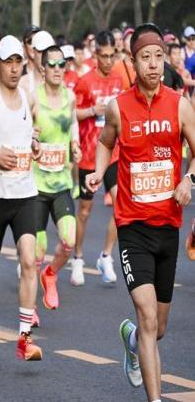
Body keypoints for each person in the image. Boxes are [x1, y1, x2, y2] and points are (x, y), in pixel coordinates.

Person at [85, 23, 195, 402]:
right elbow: (105, 143)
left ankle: (131, 340)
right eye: (145, 57)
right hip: (132, 226)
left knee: (157, 328)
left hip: (168, 226)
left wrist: (188, 180)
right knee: (147, 316)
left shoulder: (180, 105)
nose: (153, 64)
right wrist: (99, 170)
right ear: (133, 62)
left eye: (158, 57)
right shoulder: (118, 107)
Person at [0, 35, 42, 365]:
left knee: (30, 261)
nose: (14, 69)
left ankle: (25, 338)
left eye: (18, 62)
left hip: (25, 194)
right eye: (8, 63)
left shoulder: (28, 97)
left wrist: (34, 144)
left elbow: (29, 132)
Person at [72, 31, 123, 286]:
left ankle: (106, 256)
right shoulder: (85, 81)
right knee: (84, 210)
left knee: (121, 207)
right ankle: (78, 258)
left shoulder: (119, 80)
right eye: (104, 56)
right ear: (96, 54)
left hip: (113, 154)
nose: (108, 61)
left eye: (112, 56)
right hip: (89, 155)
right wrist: (93, 110)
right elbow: (72, 113)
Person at [34, 45, 81, 311]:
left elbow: (72, 122)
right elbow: (24, 129)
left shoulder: (70, 96)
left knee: (69, 241)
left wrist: (75, 143)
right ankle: (30, 310)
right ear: (43, 69)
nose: (56, 69)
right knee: (37, 251)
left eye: (61, 64)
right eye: (51, 64)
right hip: (36, 185)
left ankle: (50, 274)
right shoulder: (33, 97)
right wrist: (31, 139)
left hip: (62, 182)